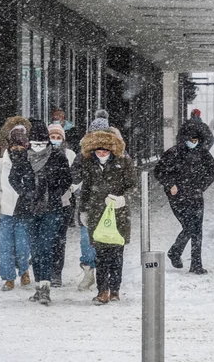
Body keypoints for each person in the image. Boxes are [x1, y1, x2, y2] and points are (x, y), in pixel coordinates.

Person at [79, 129, 136, 304]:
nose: (102, 153)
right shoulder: (89, 164)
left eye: (105, 150)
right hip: (97, 213)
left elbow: (134, 187)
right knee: (101, 255)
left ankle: (115, 289)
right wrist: (83, 211)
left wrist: (123, 199)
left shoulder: (124, 162)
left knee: (116, 254)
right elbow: (86, 189)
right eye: (98, 150)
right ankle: (103, 290)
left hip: (119, 214)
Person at [154, 120, 214, 274]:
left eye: (195, 140)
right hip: (178, 196)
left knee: (197, 229)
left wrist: (202, 186)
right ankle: (176, 252)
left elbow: (213, 171)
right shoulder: (173, 153)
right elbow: (159, 171)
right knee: (190, 227)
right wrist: (170, 185)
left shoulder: (203, 154)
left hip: (195, 195)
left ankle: (195, 263)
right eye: (190, 140)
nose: (193, 143)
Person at [0, 124, 33, 292]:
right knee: (5, 247)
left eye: (21, 146)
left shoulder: (31, 162)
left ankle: (24, 270)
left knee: (23, 246)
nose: (17, 149)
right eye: (14, 145)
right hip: (5, 212)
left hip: (24, 212)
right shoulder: (0, 164)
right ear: (9, 146)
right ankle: (8, 278)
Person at [25, 120, 72, 305]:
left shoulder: (58, 157)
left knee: (45, 247)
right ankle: (39, 286)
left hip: (51, 209)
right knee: (35, 250)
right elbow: (14, 177)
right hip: (29, 209)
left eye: (42, 144)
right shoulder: (23, 157)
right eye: (35, 144)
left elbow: (66, 179)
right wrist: (26, 192)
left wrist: (53, 192)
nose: (38, 148)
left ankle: (45, 287)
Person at [71, 110, 112, 291]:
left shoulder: (116, 153)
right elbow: (74, 175)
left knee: (108, 241)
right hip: (87, 203)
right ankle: (89, 272)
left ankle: (107, 275)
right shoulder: (83, 155)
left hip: (109, 204)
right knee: (86, 240)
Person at [47, 123, 77, 288]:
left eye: (59, 137)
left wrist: (71, 188)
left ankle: (56, 272)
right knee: (46, 238)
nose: (55, 140)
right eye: (53, 137)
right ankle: (45, 273)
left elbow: (76, 175)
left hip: (64, 202)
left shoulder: (69, 154)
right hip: (44, 204)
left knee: (59, 239)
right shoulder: (42, 153)